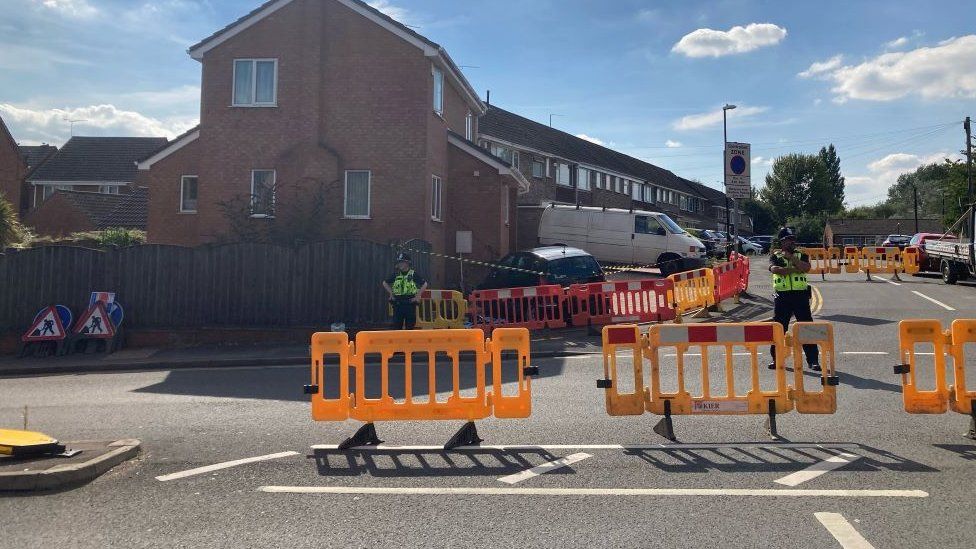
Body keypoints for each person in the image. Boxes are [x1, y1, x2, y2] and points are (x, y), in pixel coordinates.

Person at [767, 227, 820, 371]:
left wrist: (792, 258)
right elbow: (776, 270)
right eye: (789, 239)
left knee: (806, 327)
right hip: (782, 296)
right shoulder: (775, 256)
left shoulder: (800, 255)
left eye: (793, 239)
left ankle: (813, 360)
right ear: (782, 241)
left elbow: (806, 267)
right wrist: (795, 269)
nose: (792, 242)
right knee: (779, 328)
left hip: (800, 296)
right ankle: (776, 359)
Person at [382, 253, 428, 330]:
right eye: (399, 262)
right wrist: (391, 294)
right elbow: (384, 283)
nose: (400, 264)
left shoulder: (413, 274)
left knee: (410, 326)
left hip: (409, 303)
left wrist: (417, 296)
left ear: (408, 263)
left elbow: (425, 284)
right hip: (398, 304)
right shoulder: (396, 274)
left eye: (402, 262)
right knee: (397, 326)